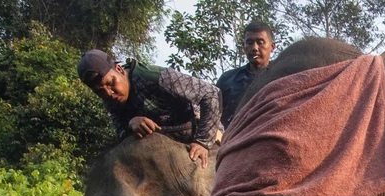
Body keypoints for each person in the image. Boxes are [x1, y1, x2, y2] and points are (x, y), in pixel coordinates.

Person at [77, 49, 220, 168]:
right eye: (100, 91)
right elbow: (121, 134)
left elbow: (211, 93)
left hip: (197, 132)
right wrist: (131, 124)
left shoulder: (154, 77)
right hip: (162, 147)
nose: (109, 92)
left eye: (111, 83)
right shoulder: (109, 99)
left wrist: (202, 142)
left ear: (119, 69)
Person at [216, 21, 277, 126]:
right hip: (228, 138)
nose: (254, 48)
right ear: (243, 46)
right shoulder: (227, 79)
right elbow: (213, 114)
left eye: (260, 42)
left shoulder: (282, 78)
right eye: (249, 42)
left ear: (272, 46)